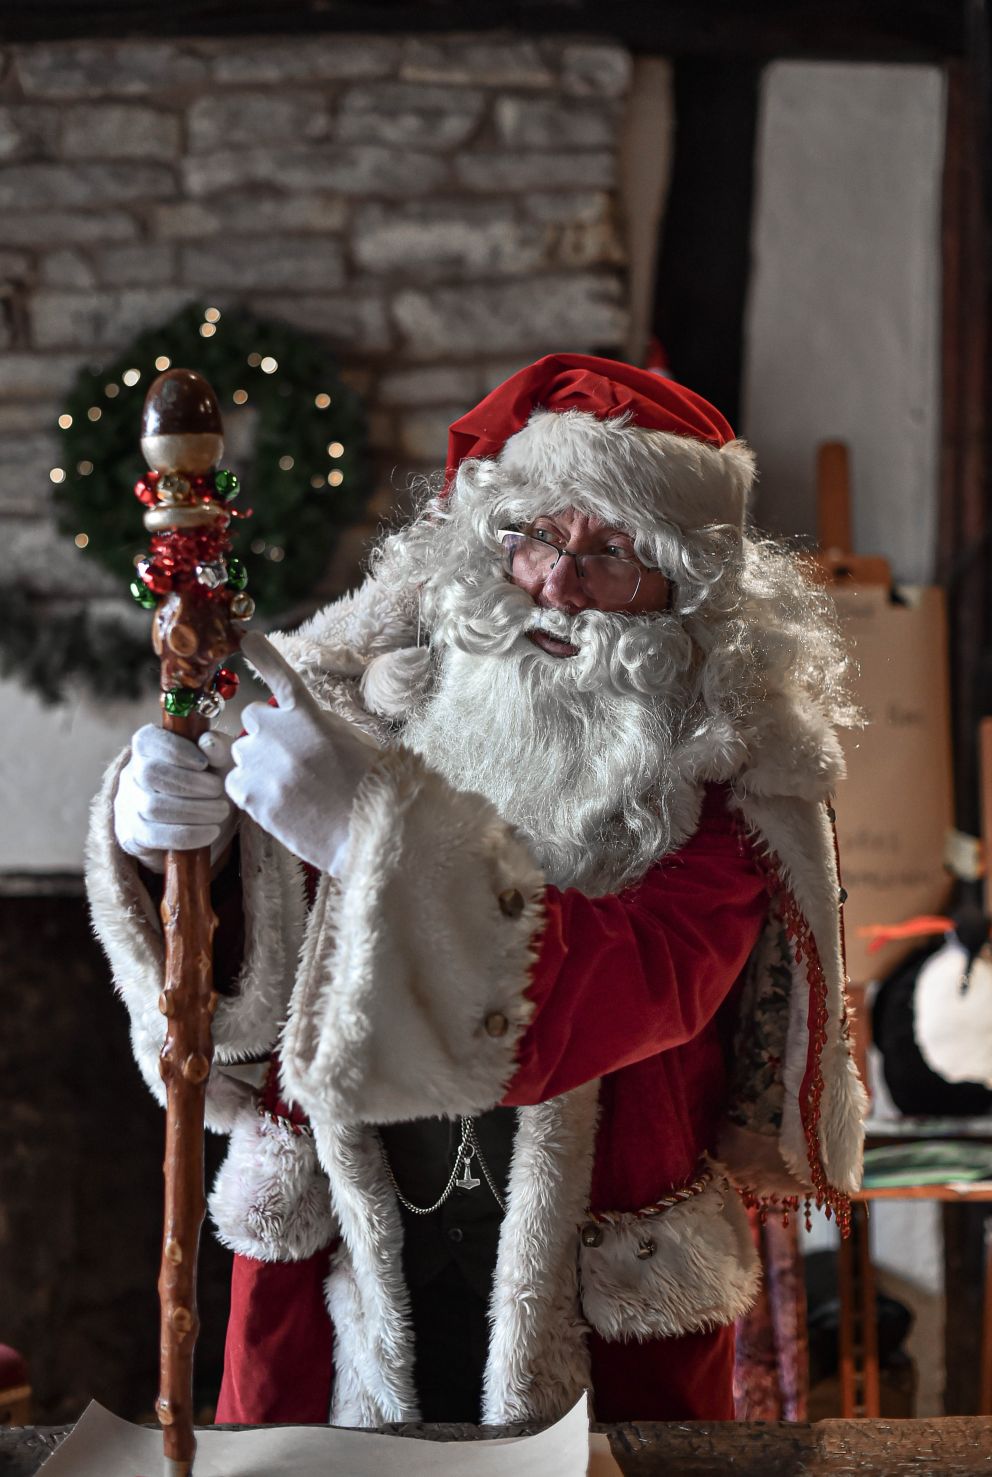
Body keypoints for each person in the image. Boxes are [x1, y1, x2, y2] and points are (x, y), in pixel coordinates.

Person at [87, 354, 867, 1428]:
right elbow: (234, 985)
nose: (556, 582)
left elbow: (640, 986)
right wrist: (164, 831)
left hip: (599, 1304)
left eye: (614, 553)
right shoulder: (353, 704)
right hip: (334, 1281)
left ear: (686, 587)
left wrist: (372, 838)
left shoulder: (733, 781)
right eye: (535, 535)